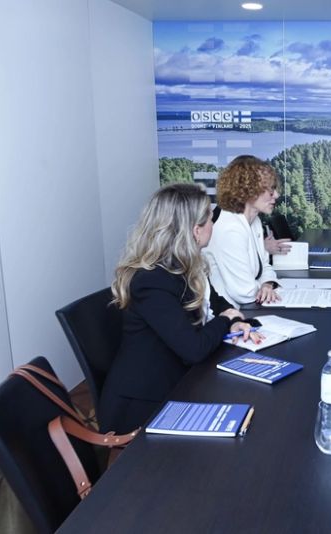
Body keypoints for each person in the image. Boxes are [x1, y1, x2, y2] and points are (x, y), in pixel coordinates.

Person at [99, 183, 260, 434]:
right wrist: (226, 320)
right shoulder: (152, 281)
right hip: (142, 406)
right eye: (210, 219)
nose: (213, 224)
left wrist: (233, 318)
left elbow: (215, 301)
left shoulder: (184, 265)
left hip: (179, 380)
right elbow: (193, 349)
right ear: (196, 230)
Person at [204, 155, 282, 307]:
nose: (276, 195)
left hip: (247, 309)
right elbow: (244, 293)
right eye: (271, 190)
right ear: (249, 191)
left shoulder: (254, 221)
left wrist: (267, 285)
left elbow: (265, 267)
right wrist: (262, 287)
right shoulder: (229, 229)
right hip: (228, 313)